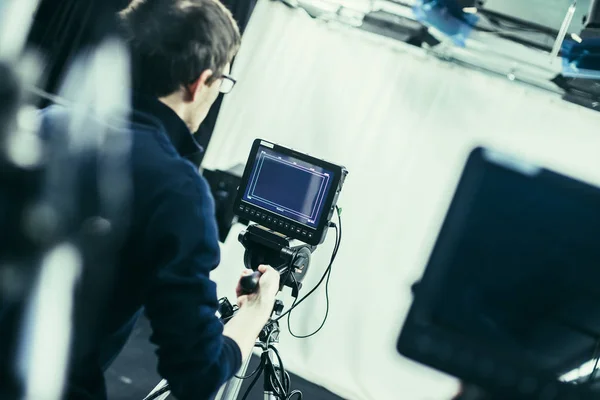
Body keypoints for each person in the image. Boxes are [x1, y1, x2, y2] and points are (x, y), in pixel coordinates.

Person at [2, 0, 279, 399]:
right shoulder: (179, 190)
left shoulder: (43, 124)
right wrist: (253, 315)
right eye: (223, 81)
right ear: (200, 82)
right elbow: (196, 371)